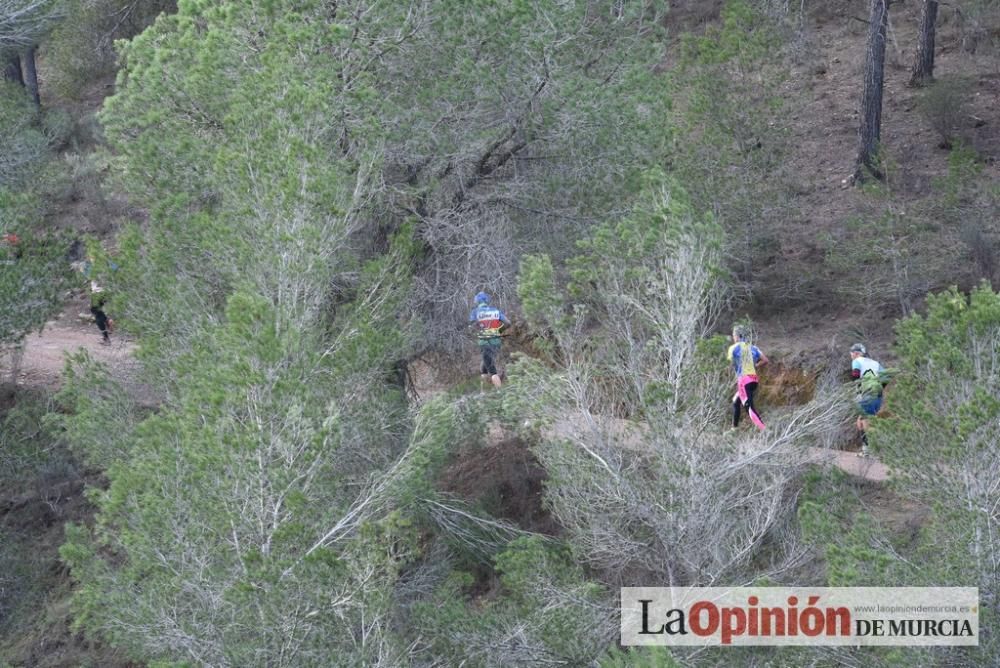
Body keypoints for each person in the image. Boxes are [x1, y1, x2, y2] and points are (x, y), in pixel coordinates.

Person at [727, 325, 768, 430]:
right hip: (753, 380)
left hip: (744, 381)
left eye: (733, 335)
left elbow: (728, 363)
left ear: (737, 336)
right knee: (736, 401)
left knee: (749, 408)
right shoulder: (753, 347)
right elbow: (765, 360)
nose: (733, 338)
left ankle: (764, 430)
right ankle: (734, 428)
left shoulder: (733, 348)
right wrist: (755, 365)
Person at [468, 291, 510, 389]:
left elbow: (471, 328)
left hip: (485, 342)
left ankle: (501, 392)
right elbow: (508, 323)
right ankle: (483, 391)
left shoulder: (475, 312)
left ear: (477, 302)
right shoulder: (495, 311)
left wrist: (478, 331)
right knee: (484, 365)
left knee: (492, 370)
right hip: (496, 342)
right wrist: (498, 331)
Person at [850, 343, 884, 456]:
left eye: (851, 353)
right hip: (877, 396)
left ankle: (873, 450)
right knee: (860, 422)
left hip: (866, 395)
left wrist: (860, 391)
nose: (851, 355)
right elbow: (886, 377)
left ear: (856, 353)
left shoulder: (857, 361)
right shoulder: (875, 363)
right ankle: (866, 449)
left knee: (866, 422)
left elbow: (855, 376)